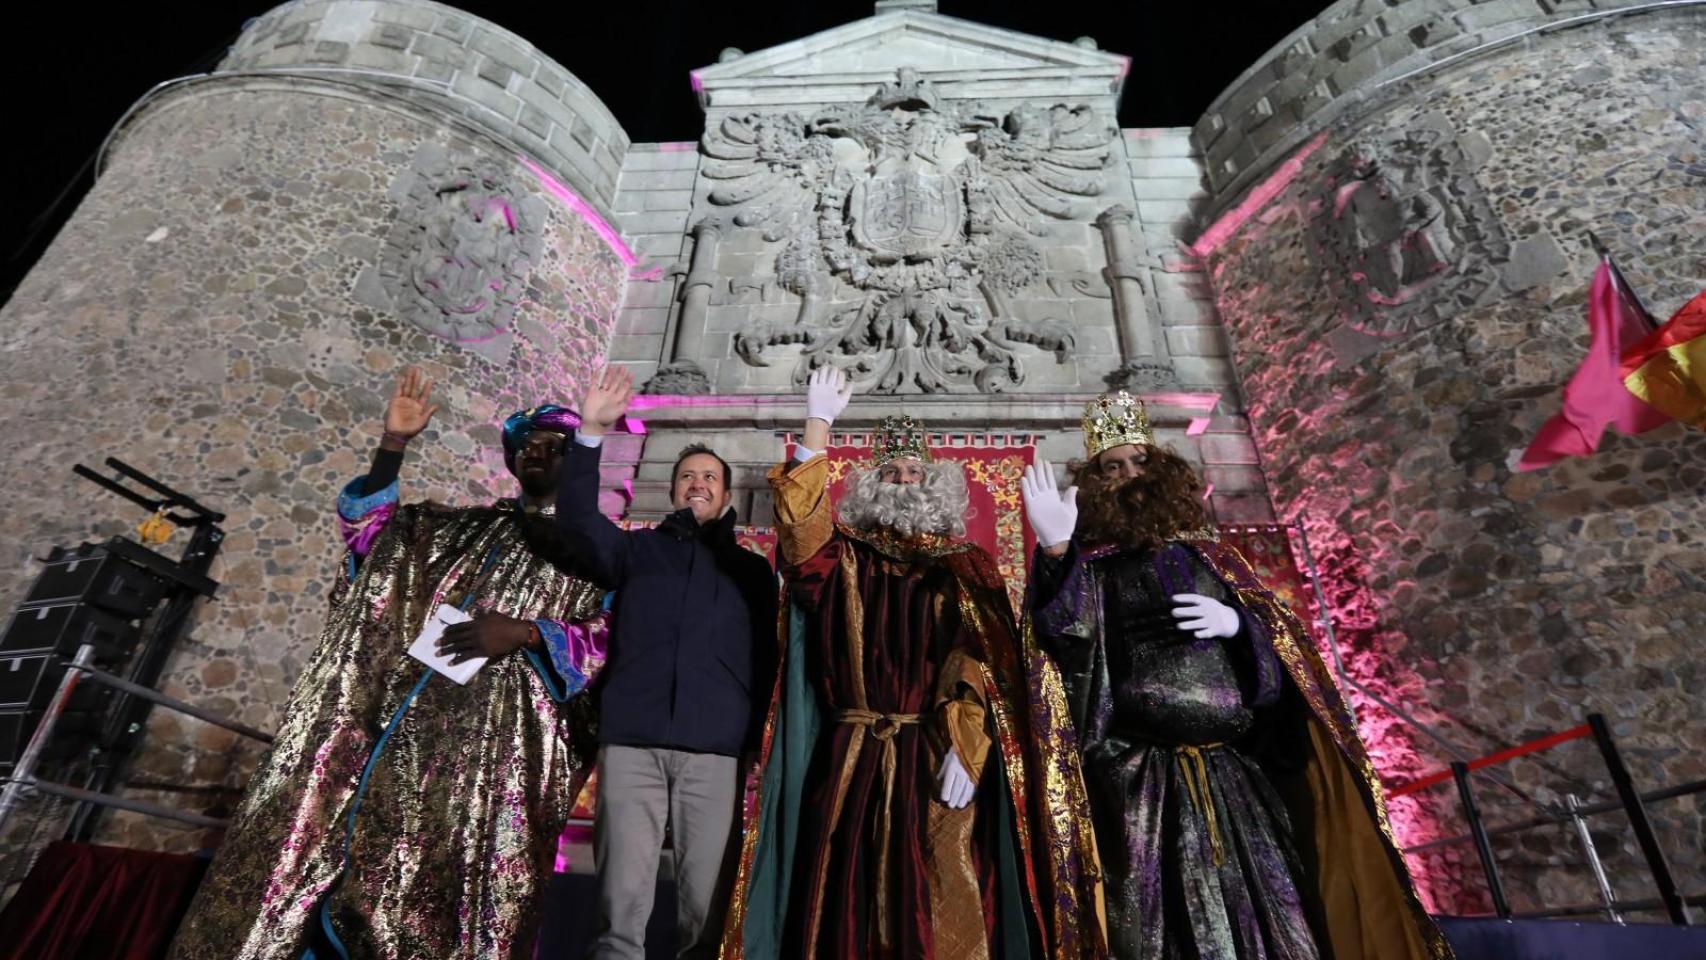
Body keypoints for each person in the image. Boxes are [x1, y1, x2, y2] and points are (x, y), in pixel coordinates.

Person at [170, 368, 613, 960]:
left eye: (552, 447)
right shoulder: (452, 531)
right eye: (526, 445)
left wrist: (529, 632)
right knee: (307, 882)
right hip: (378, 742)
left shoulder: (596, 557)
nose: (535, 453)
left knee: (435, 910)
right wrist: (392, 447)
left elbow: (612, 636)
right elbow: (371, 536)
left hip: (483, 766)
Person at [1020, 390, 1452, 960]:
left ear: (1164, 467)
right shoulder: (1094, 569)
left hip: (1232, 774)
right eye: (1111, 466)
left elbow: (1283, 663)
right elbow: (1067, 645)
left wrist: (1237, 627)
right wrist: (1055, 555)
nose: (1128, 475)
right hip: (1141, 779)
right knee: (1154, 924)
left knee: (1273, 908)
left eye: (1139, 460)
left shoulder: (1213, 558)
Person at [721, 367, 1105, 960]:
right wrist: (816, 429)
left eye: (914, 473)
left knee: (945, 891)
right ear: (872, 485)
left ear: (936, 487)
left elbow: (988, 666)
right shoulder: (841, 557)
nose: (903, 481)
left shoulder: (966, 566)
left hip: (937, 755)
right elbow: (799, 536)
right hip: (852, 761)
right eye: (891, 473)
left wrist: (970, 743)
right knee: (844, 900)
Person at [557, 366, 777, 960]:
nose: (698, 483)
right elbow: (577, 523)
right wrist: (590, 434)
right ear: (672, 490)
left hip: (715, 751)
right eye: (687, 476)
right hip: (633, 743)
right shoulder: (636, 553)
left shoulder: (753, 573)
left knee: (706, 915)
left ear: (727, 496)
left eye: (710, 476)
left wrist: (754, 740)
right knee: (619, 909)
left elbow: (768, 659)